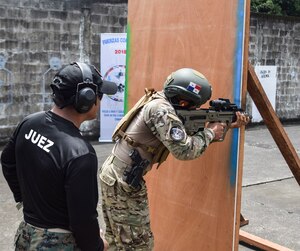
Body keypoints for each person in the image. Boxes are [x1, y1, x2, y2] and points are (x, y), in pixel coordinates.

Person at [99, 68, 250, 250]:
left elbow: (184, 132)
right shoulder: (161, 110)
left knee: (118, 239)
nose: (195, 109)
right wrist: (210, 132)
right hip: (123, 182)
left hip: (115, 175)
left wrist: (226, 125)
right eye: (193, 105)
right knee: (137, 245)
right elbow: (185, 150)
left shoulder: (159, 100)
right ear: (183, 100)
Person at [1, 62, 117, 251]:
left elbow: (7, 161)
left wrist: (24, 200)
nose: (101, 100)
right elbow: (83, 219)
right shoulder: (81, 153)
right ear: (86, 98)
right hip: (58, 243)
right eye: (100, 94)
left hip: (26, 234)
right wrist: (97, 245)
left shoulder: (29, 123)